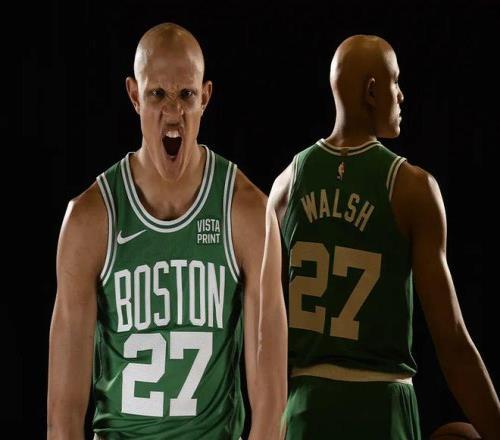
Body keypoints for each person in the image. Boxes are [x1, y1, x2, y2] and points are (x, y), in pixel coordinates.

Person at [47, 23, 286, 440]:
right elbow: (63, 415)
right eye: (157, 94)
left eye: (186, 95)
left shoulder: (246, 212)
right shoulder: (91, 218)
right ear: (134, 95)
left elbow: (271, 405)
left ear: (205, 97)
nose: (173, 111)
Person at [263, 35, 500, 439]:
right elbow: (452, 342)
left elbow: (263, 331)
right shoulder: (411, 188)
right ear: (372, 91)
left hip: (304, 411)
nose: (401, 95)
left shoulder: (285, 186)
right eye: (395, 81)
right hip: (380, 409)